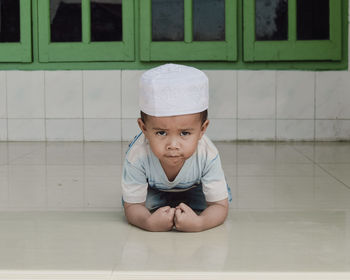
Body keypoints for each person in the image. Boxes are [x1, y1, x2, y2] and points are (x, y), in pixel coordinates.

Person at [122, 63, 231, 232]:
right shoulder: (137, 156)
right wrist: (148, 222)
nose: (173, 145)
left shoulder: (207, 154)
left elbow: (220, 206)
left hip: (195, 189)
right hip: (155, 191)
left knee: (216, 199)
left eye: (185, 133)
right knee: (142, 204)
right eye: (161, 133)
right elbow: (132, 207)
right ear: (143, 128)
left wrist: (200, 223)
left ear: (202, 129)